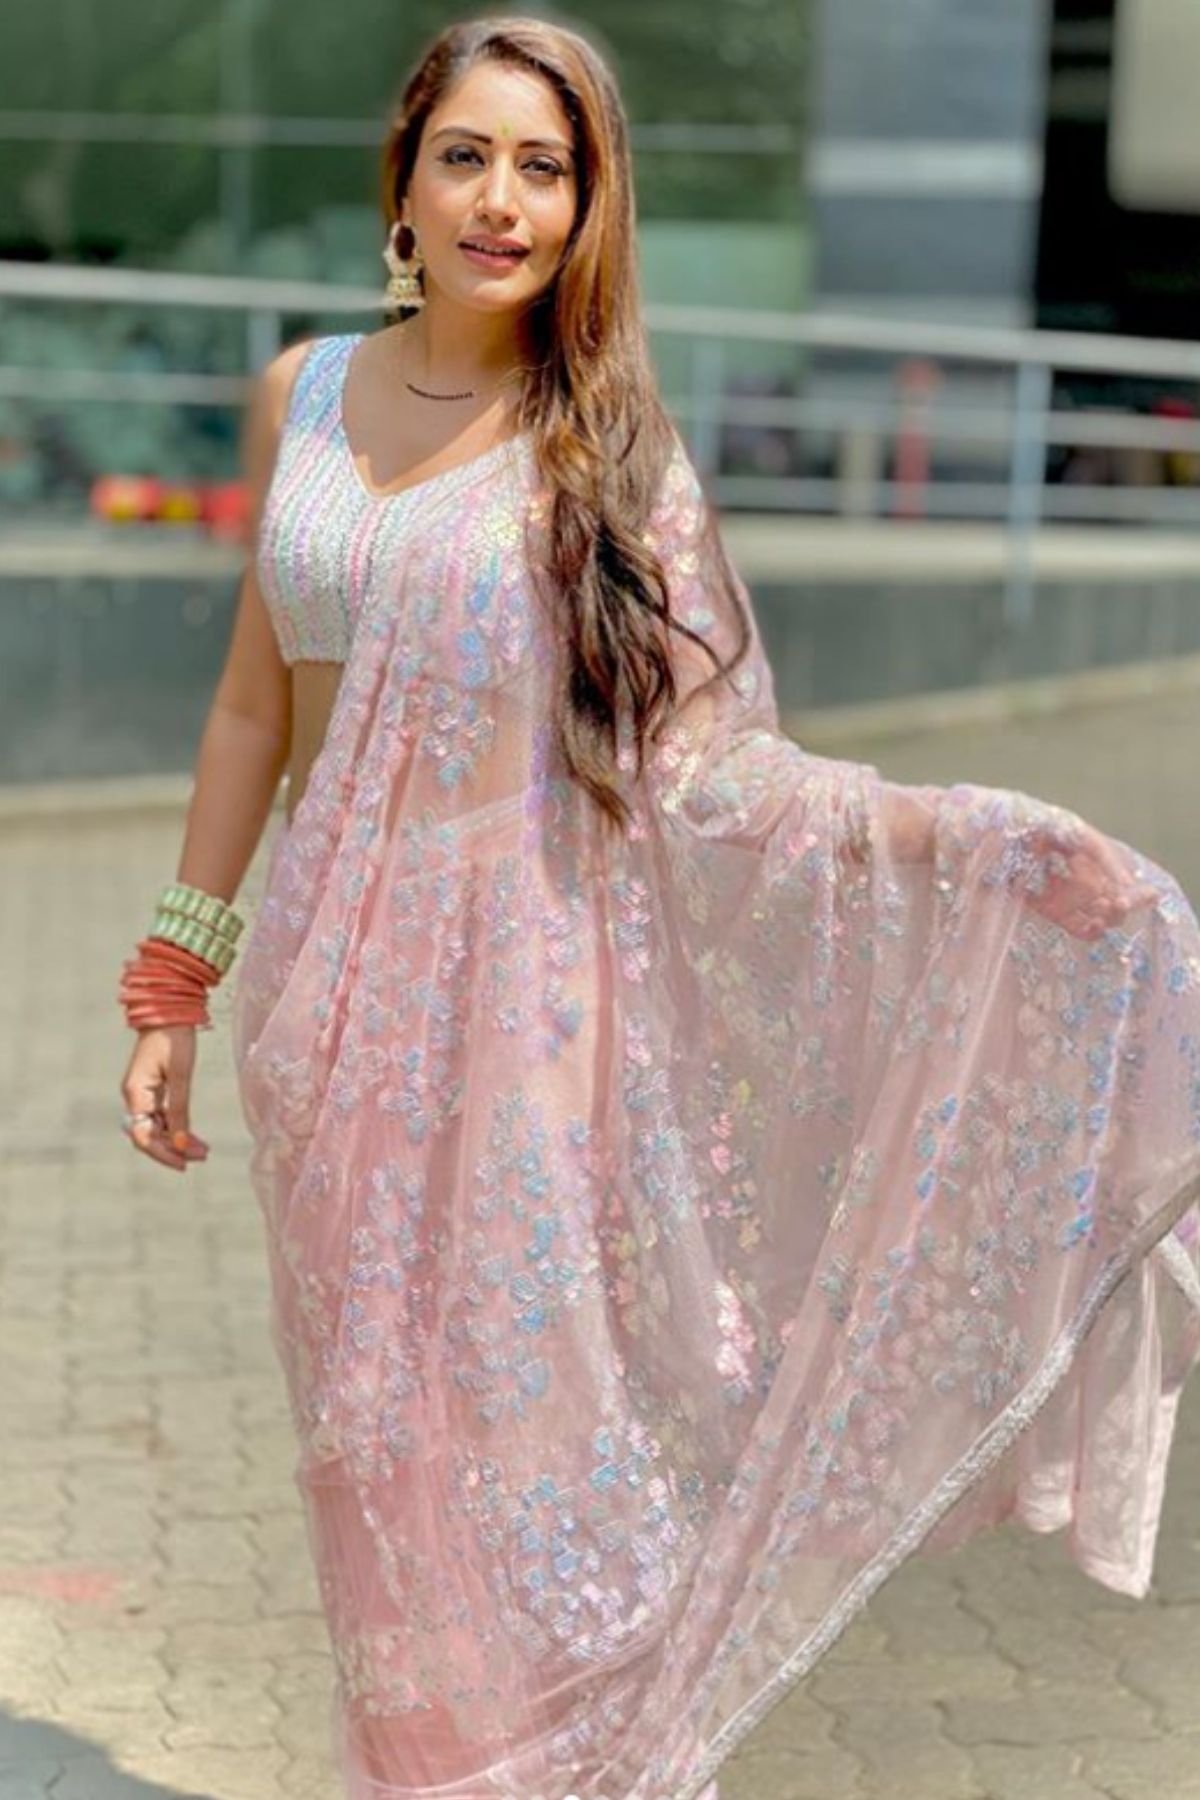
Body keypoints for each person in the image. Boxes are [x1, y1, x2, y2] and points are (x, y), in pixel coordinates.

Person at [116, 16, 1200, 1800]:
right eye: (468, 155)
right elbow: (253, 702)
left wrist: (971, 843)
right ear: (404, 183)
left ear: (587, 210)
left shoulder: (603, 453)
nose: (502, 199)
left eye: (545, 168)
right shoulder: (301, 392)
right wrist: (177, 973)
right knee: (373, 1450)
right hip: (327, 1016)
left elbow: (714, 773)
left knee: (533, 1446)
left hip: (527, 1021)